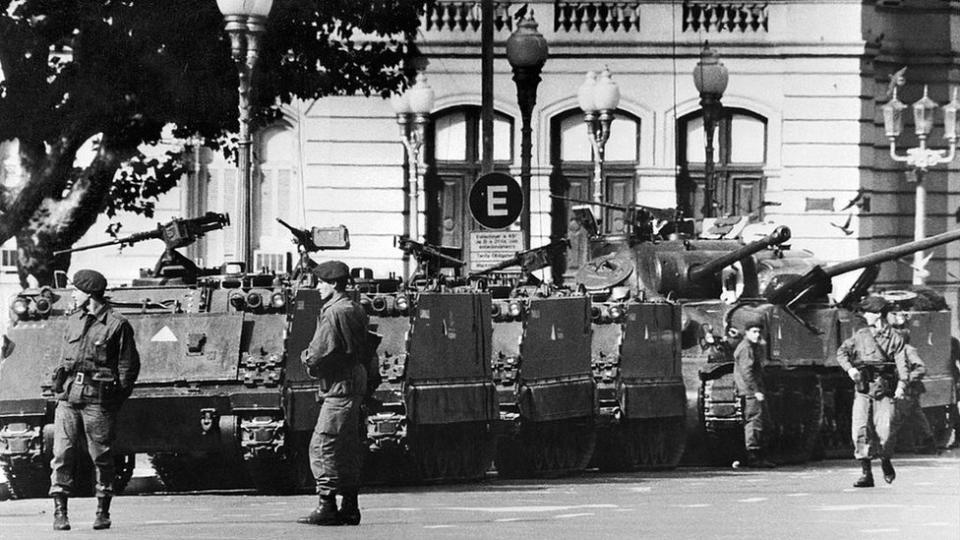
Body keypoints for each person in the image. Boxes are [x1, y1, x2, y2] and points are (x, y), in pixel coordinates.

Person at [49, 269, 140, 531]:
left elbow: (128, 368)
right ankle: (60, 512)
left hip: (98, 400)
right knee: (61, 454)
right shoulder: (73, 319)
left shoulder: (116, 324)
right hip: (68, 397)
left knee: (101, 456)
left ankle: (102, 510)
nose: (72, 294)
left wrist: (114, 399)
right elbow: (63, 356)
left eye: (76, 290)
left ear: (89, 294)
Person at [297, 260, 371, 526]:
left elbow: (319, 353)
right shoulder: (355, 309)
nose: (317, 287)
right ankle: (350, 506)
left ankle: (327, 504)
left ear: (334, 284)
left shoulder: (333, 312)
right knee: (347, 446)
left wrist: (305, 358)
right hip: (354, 383)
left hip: (339, 385)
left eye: (321, 282)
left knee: (323, 444)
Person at [836, 295, 909, 488]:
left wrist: (902, 385)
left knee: (886, 431)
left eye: (867, 312)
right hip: (863, 389)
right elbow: (842, 352)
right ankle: (866, 473)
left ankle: (885, 460)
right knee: (860, 430)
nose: (865, 315)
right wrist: (850, 369)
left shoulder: (895, 338)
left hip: (884, 389)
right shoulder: (861, 335)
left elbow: (902, 364)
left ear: (877, 315)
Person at [886, 310, 936, 453]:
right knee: (917, 417)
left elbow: (920, 368)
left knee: (896, 418)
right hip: (908, 390)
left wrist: (906, 379)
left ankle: (887, 447)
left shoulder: (908, 350)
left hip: (909, 389)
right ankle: (929, 443)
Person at [733, 314, 775, 468]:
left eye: (759, 332)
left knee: (761, 421)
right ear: (747, 333)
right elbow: (747, 371)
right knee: (754, 421)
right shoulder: (746, 348)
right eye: (754, 332)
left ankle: (757, 454)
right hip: (750, 391)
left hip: (751, 390)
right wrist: (755, 390)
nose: (757, 335)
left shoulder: (750, 347)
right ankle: (753, 455)